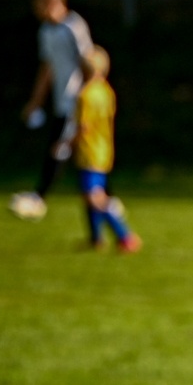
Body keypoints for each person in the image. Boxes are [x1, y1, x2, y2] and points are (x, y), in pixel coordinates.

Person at [11, 0, 92, 222]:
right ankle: (106, 198)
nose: (36, 10)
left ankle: (39, 198)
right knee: (77, 152)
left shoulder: (73, 26)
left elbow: (89, 61)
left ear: (52, 2)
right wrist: (36, 102)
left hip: (77, 102)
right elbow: (47, 69)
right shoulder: (46, 31)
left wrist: (89, 99)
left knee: (59, 149)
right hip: (61, 102)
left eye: (39, 4)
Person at [71, 47, 138, 253]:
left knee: (94, 196)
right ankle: (96, 239)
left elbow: (84, 126)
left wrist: (68, 143)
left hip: (90, 150)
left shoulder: (86, 94)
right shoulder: (107, 92)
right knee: (88, 194)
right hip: (104, 149)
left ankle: (124, 235)